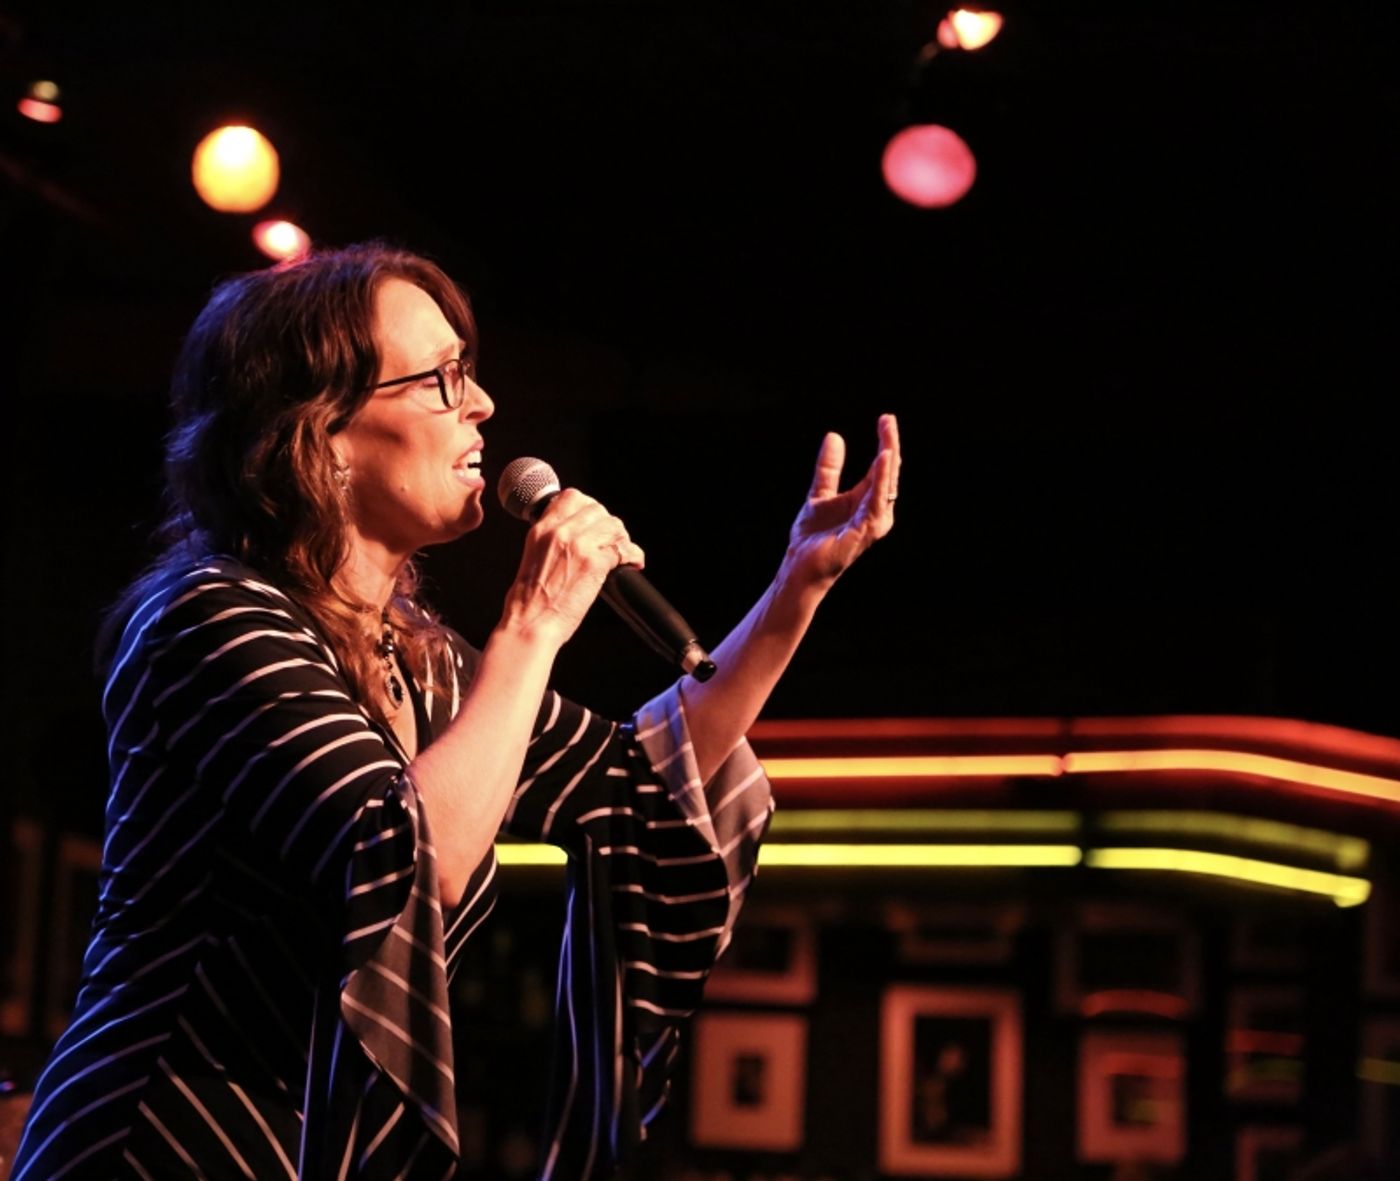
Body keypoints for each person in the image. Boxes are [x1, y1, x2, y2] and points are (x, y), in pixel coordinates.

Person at [11, 241, 900, 1180]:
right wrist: (536, 620)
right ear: (321, 430)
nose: (479, 403)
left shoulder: (420, 657)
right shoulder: (210, 619)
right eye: (439, 378)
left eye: (467, 372)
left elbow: (636, 781)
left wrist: (797, 588)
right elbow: (399, 848)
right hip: (160, 1143)